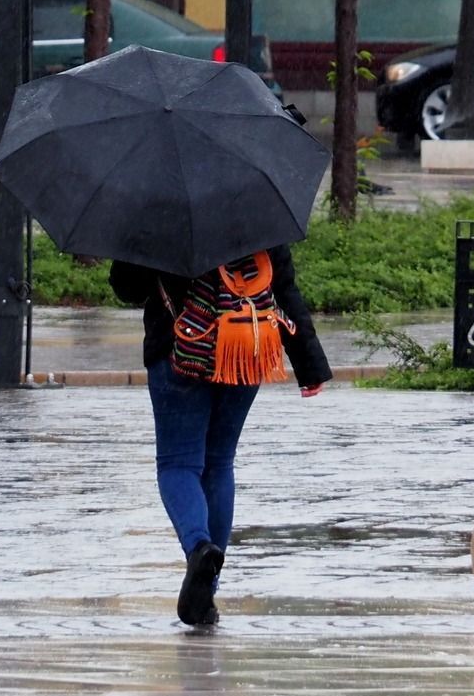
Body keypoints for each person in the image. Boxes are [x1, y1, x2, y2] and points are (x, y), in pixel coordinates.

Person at [112, 245, 330, 627]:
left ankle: (199, 547)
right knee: (218, 465)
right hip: (245, 348)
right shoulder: (258, 205)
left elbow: (129, 285)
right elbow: (285, 288)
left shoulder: (164, 209)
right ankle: (205, 594)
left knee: (178, 464)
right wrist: (309, 365)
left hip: (180, 351)